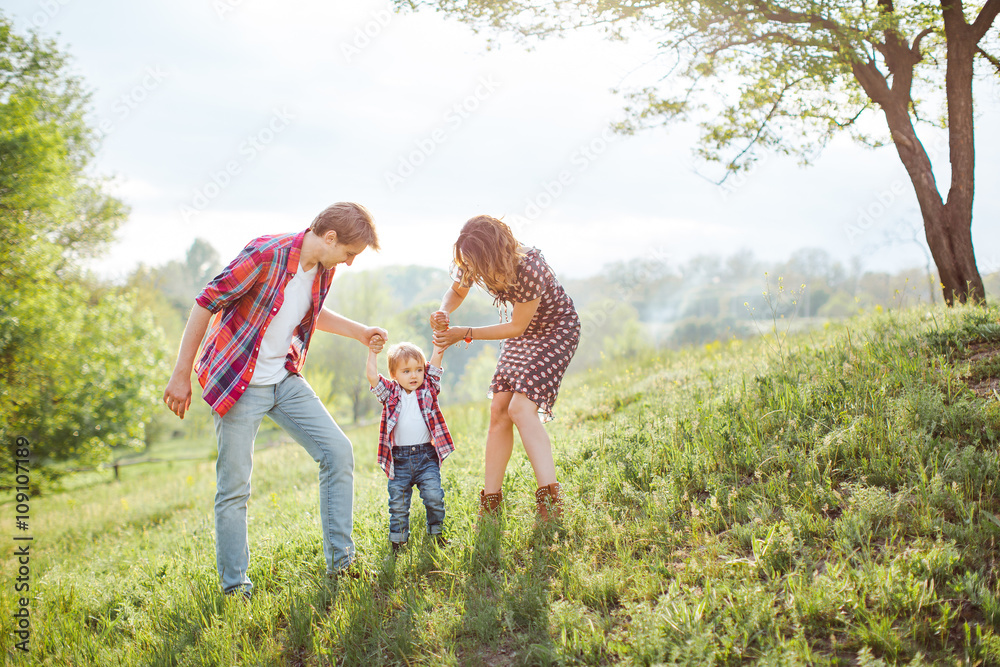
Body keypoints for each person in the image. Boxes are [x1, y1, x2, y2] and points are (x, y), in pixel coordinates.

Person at [162, 202, 386, 598]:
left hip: (283, 377)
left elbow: (311, 312)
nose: (350, 263)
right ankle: (235, 588)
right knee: (234, 488)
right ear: (330, 237)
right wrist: (181, 373)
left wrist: (359, 331)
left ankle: (342, 564)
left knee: (337, 451)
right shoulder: (267, 253)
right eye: (349, 254)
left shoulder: (324, 270)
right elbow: (205, 301)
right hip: (239, 382)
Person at [430, 215, 580, 520]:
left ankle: (551, 501)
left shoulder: (530, 267)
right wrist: (443, 311)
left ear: (495, 253)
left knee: (521, 409)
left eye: (480, 266)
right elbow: (457, 291)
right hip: (523, 333)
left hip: (554, 332)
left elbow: (515, 325)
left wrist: (465, 332)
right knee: (499, 408)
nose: (476, 273)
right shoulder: (474, 253)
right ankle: (491, 503)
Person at [367, 337, 454, 553]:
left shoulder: (428, 389)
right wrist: (372, 352)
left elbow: (435, 363)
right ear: (394, 375)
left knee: (434, 496)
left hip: (426, 457)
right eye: (406, 371)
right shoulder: (390, 394)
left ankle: (437, 533)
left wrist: (438, 341)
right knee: (398, 503)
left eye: (418, 369)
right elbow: (371, 376)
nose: (413, 375)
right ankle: (398, 542)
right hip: (399, 460)